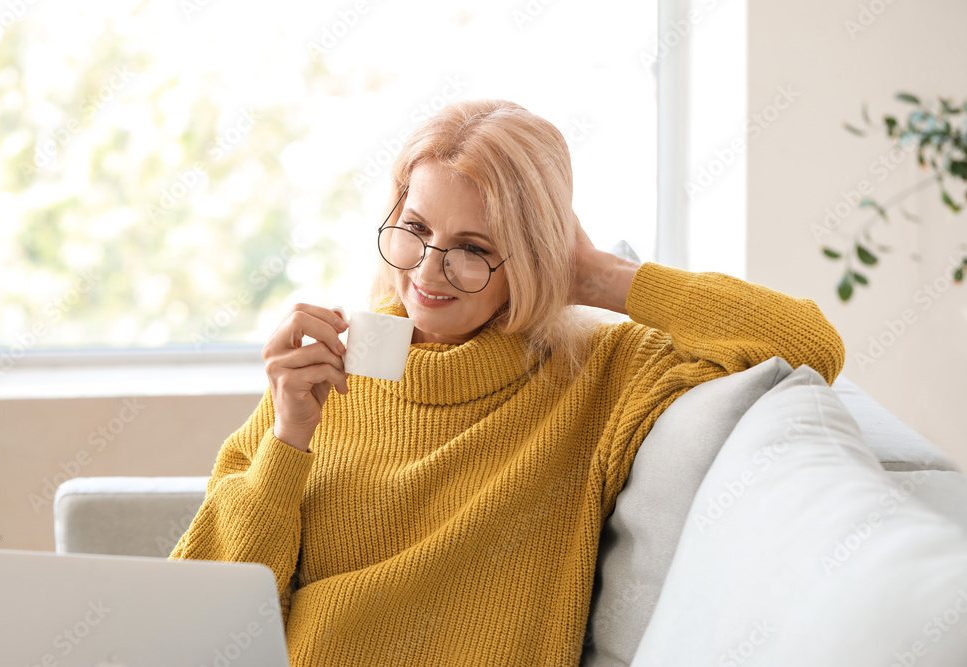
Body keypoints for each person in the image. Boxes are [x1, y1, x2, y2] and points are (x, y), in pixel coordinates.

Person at [169, 99, 845, 665]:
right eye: (415, 229)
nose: (429, 275)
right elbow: (201, 620)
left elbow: (807, 343)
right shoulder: (326, 369)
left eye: (473, 250)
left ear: (532, 259)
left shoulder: (599, 372)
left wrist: (597, 276)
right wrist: (288, 436)